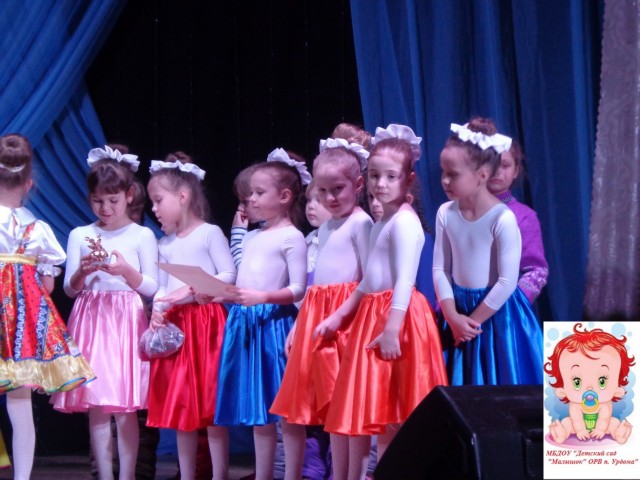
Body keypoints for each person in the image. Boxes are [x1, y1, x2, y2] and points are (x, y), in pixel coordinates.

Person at [315, 124, 447, 480]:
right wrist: (340, 315)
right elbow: (368, 281)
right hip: (373, 313)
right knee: (377, 409)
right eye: (374, 175)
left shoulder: (405, 222)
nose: (381, 184)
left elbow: (405, 280)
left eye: (391, 176)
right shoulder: (381, 223)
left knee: (397, 411)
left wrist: (392, 328)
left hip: (397, 317)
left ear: (408, 179)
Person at [52, 144, 158, 480]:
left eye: (113, 200)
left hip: (126, 321)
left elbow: (151, 286)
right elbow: (70, 289)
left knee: (125, 409)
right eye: (98, 201)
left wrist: (126, 271)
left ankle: (127, 475)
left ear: (129, 195)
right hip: (91, 321)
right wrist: (82, 272)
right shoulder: (80, 234)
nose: (105, 208)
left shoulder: (141, 235)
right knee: (97, 406)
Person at [271, 140, 373, 480]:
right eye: (323, 190)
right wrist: (298, 324)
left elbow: (369, 279)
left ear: (358, 185)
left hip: (345, 321)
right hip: (319, 318)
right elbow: (316, 287)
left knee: (349, 410)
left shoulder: (361, 224)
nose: (330, 198)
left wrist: (341, 315)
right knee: (332, 410)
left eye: (338, 189)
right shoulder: (326, 227)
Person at [0, 134, 95, 480]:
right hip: (20, 325)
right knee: (20, 404)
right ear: (29, 184)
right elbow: (49, 286)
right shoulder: (37, 229)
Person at [213, 151, 308, 480]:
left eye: (258, 192)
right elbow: (243, 282)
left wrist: (263, 297)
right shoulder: (252, 236)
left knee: (285, 410)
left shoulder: (291, 236)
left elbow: (299, 289)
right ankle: (263, 474)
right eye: (249, 193)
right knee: (258, 409)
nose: (250, 199)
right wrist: (221, 294)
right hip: (245, 323)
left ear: (284, 197)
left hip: (273, 325)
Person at [146, 152, 236, 480]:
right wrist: (158, 309)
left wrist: (193, 288)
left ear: (182, 197)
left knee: (212, 405)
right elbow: (162, 286)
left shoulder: (209, 233)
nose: (154, 208)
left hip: (206, 323)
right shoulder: (165, 243)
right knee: (182, 406)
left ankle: (219, 474)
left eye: (158, 200)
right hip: (177, 325)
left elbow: (228, 274)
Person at [434, 119, 544, 386]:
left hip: (495, 315)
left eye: (453, 174)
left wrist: (470, 324)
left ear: (482, 175)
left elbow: (507, 281)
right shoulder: (445, 213)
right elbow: (440, 269)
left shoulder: (503, 218)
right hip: (457, 312)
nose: (445, 180)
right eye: (443, 172)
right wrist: (452, 317)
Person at [545, 323, 634, 444]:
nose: (590, 388)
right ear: (562, 391)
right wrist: (580, 430)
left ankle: (621, 433)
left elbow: (604, 418)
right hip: (577, 426)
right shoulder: (575, 405)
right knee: (567, 422)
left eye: (602, 381)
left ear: (618, 390)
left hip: (603, 426)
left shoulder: (605, 404)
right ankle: (560, 433)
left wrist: (600, 430)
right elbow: (576, 419)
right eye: (577, 382)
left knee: (613, 422)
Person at [487, 140, 548, 304]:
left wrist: (513, 304)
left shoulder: (524, 216)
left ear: (515, 171)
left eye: (505, 165)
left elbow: (536, 270)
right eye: (491, 164)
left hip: (506, 308)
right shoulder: (464, 211)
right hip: (463, 307)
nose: (497, 170)